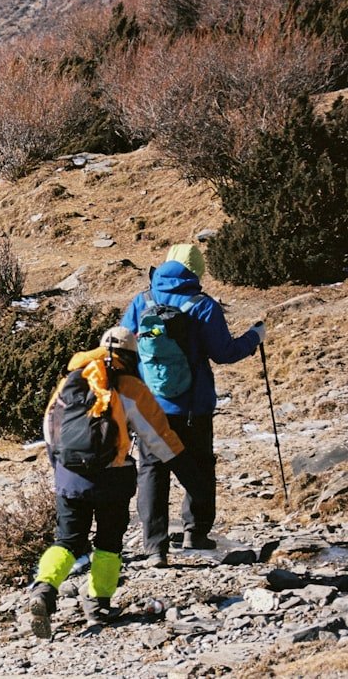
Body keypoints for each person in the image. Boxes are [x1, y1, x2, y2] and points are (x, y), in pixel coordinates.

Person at [28, 327, 210, 638]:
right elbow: (158, 437)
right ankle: (98, 605)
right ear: (131, 356)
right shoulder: (130, 387)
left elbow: (50, 427)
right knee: (108, 543)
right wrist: (192, 478)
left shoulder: (70, 382)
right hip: (113, 479)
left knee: (67, 540)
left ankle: (44, 589)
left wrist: (59, 469)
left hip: (70, 477)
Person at [122, 243, 264, 567]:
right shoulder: (203, 306)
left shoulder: (142, 301)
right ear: (197, 272)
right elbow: (225, 353)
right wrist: (255, 338)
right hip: (193, 407)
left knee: (152, 471)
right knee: (199, 465)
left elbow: (124, 347)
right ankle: (195, 533)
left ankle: (155, 547)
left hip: (149, 409)